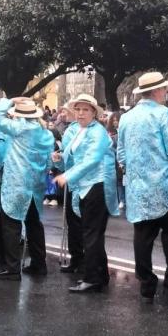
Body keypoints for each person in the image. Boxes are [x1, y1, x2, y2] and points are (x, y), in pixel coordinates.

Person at [117, 73, 168, 302]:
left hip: (138, 186)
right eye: (164, 90)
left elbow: (121, 154)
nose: (166, 93)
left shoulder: (127, 117)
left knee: (143, 236)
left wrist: (133, 171)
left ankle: (146, 285)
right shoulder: (163, 114)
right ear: (157, 91)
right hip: (163, 182)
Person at [53, 94, 120, 293]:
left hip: (97, 184)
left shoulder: (98, 132)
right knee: (91, 233)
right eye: (78, 109)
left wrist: (68, 176)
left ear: (94, 113)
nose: (81, 113)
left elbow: (91, 160)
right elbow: (70, 157)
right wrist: (59, 159)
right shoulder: (77, 131)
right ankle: (100, 276)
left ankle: (92, 278)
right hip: (83, 186)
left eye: (86, 110)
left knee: (92, 233)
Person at [0, 98, 55, 280]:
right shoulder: (46, 134)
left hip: (16, 183)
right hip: (36, 185)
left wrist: (9, 100)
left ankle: (12, 268)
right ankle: (39, 264)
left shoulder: (19, 129)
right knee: (34, 225)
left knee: (11, 225)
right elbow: (49, 162)